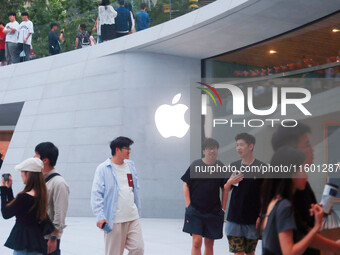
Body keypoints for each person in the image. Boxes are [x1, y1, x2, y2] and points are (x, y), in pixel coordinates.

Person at [271, 122, 340, 255]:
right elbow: (300, 236)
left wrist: (318, 215)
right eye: (307, 145)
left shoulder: (301, 185)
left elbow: (305, 226)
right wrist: (335, 246)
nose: (313, 149)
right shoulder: (285, 195)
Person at [181, 138, 242, 255]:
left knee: (209, 243)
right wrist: (188, 205)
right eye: (209, 149)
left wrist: (223, 208)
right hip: (195, 211)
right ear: (204, 151)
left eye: (214, 149)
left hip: (213, 212)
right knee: (196, 242)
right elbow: (186, 185)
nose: (212, 151)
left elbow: (225, 188)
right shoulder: (196, 165)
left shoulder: (220, 167)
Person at [91, 136, 144, 255]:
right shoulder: (103, 169)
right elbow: (96, 194)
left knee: (138, 249)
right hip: (114, 220)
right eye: (127, 148)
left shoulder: (130, 166)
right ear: (117, 150)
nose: (129, 151)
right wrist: (100, 216)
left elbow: (134, 188)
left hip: (132, 216)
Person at [1, 157, 55, 255]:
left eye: (22, 172)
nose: (21, 174)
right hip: (36, 241)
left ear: (28, 173)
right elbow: (18, 208)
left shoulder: (24, 197)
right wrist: (9, 190)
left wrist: (4, 190)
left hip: (23, 243)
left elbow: (6, 213)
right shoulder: (41, 193)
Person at [225, 133, 265, 255]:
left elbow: (265, 195)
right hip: (234, 218)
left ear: (250, 146)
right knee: (238, 253)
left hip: (253, 220)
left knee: (250, 252)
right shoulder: (234, 166)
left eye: (241, 145)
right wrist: (230, 182)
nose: (238, 148)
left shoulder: (261, 168)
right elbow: (226, 189)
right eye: (237, 145)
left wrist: (261, 215)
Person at [34, 142, 70, 255]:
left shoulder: (59, 183)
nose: (33, 158)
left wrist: (54, 238)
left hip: (48, 239)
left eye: (36, 155)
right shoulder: (38, 180)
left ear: (45, 160)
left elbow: (60, 213)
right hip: (35, 236)